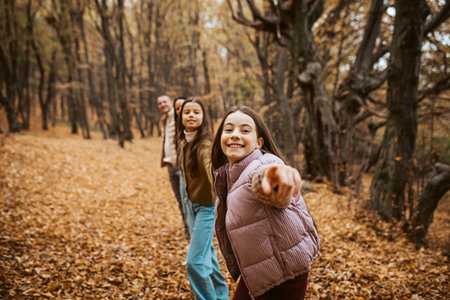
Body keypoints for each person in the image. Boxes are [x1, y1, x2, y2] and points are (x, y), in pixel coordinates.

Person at [211, 106, 320, 300]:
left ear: (259, 142)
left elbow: (266, 179)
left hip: (284, 273)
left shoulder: (261, 165)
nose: (235, 135)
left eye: (245, 131)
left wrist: (274, 178)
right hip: (262, 268)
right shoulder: (230, 173)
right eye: (228, 130)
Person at [177, 97, 229, 300]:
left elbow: (211, 172)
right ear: (181, 116)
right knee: (208, 254)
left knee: (195, 262)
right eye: (187, 112)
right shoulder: (185, 140)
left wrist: (223, 199)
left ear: (203, 117)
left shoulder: (205, 146)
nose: (191, 115)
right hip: (192, 205)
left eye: (196, 112)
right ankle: (222, 295)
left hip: (207, 209)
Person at [157, 95, 189, 234]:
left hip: (180, 165)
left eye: (165, 102)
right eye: (160, 103)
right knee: (179, 198)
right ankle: (187, 227)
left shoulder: (178, 116)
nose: (162, 105)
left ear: (171, 103)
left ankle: (192, 228)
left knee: (186, 199)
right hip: (170, 164)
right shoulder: (164, 120)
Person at [173, 96, 194, 235]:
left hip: (193, 173)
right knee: (184, 202)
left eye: (183, 107)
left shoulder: (195, 127)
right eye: (177, 108)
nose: (180, 110)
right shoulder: (177, 128)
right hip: (182, 170)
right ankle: (189, 228)